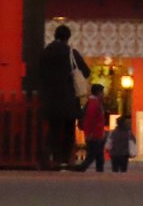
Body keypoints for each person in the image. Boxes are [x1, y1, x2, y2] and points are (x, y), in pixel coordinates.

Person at [38, 24, 90, 169]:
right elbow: (86, 72)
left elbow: (38, 73)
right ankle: (65, 160)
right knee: (68, 131)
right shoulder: (71, 53)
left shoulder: (45, 53)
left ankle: (51, 159)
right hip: (69, 100)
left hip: (50, 99)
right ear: (68, 37)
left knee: (53, 130)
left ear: (55, 35)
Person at [79, 83, 109, 173]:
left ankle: (96, 170)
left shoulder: (93, 103)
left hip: (95, 135)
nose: (103, 95)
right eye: (102, 92)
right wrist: (90, 133)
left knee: (96, 156)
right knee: (94, 156)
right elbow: (90, 120)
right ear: (99, 93)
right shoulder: (94, 104)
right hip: (94, 135)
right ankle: (81, 169)